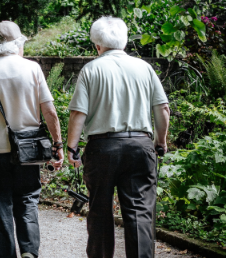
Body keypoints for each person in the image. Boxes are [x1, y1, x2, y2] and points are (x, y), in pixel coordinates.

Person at [66, 17, 170, 258]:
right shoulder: (144, 68)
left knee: (100, 210)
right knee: (140, 213)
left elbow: (78, 113)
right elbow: (163, 109)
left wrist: (72, 148)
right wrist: (160, 142)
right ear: (125, 42)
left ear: (97, 45)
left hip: (102, 148)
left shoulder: (91, 69)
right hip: (140, 145)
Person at [0, 21, 64, 258]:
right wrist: (57, 144)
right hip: (28, 149)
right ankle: (29, 251)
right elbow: (50, 112)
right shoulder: (33, 68)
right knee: (27, 199)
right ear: (17, 43)